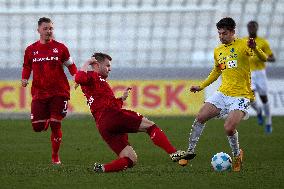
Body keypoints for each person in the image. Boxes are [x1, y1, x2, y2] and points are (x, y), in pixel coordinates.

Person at [175, 17, 268, 172]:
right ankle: (190, 151)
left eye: (224, 33)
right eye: (219, 33)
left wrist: (256, 48)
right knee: (200, 117)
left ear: (232, 32)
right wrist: (201, 86)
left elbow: (263, 58)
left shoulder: (244, 44)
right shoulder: (218, 51)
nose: (221, 36)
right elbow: (216, 71)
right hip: (223, 93)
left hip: (242, 95)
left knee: (229, 128)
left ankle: (237, 154)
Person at [74, 52, 184, 173]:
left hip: (103, 125)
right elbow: (79, 78)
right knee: (150, 126)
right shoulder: (91, 76)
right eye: (107, 65)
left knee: (131, 159)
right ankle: (173, 153)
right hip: (110, 115)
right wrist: (88, 62)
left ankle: (102, 168)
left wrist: (121, 98)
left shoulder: (98, 81)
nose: (109, 69)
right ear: (96, 65)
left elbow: (106, 103)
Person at [21, 17, 77, 164]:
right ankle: (44, 120)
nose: (48, 31)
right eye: (45, 28)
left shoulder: (61, 48)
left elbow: (71, 65)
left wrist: (77, 77)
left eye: (50, 28)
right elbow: (27, 66)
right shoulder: (31, 50)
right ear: (38, 30)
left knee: (55, 123)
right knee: (37, 127)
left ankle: (55, 156)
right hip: (39, 93)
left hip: (59, 91)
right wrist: (25, 78)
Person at [245, 21, 276, 133]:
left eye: (253, 27)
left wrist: (263, 57)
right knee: (250, 97)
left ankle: (268, 121)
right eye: (250, 27)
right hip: (249, 73)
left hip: (261, 73)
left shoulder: (263, 42)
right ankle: (258, 111)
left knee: (264, 98)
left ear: (257, 28)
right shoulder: (244, 41)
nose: (251, 29)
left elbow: (273, 58)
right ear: (247, 28)